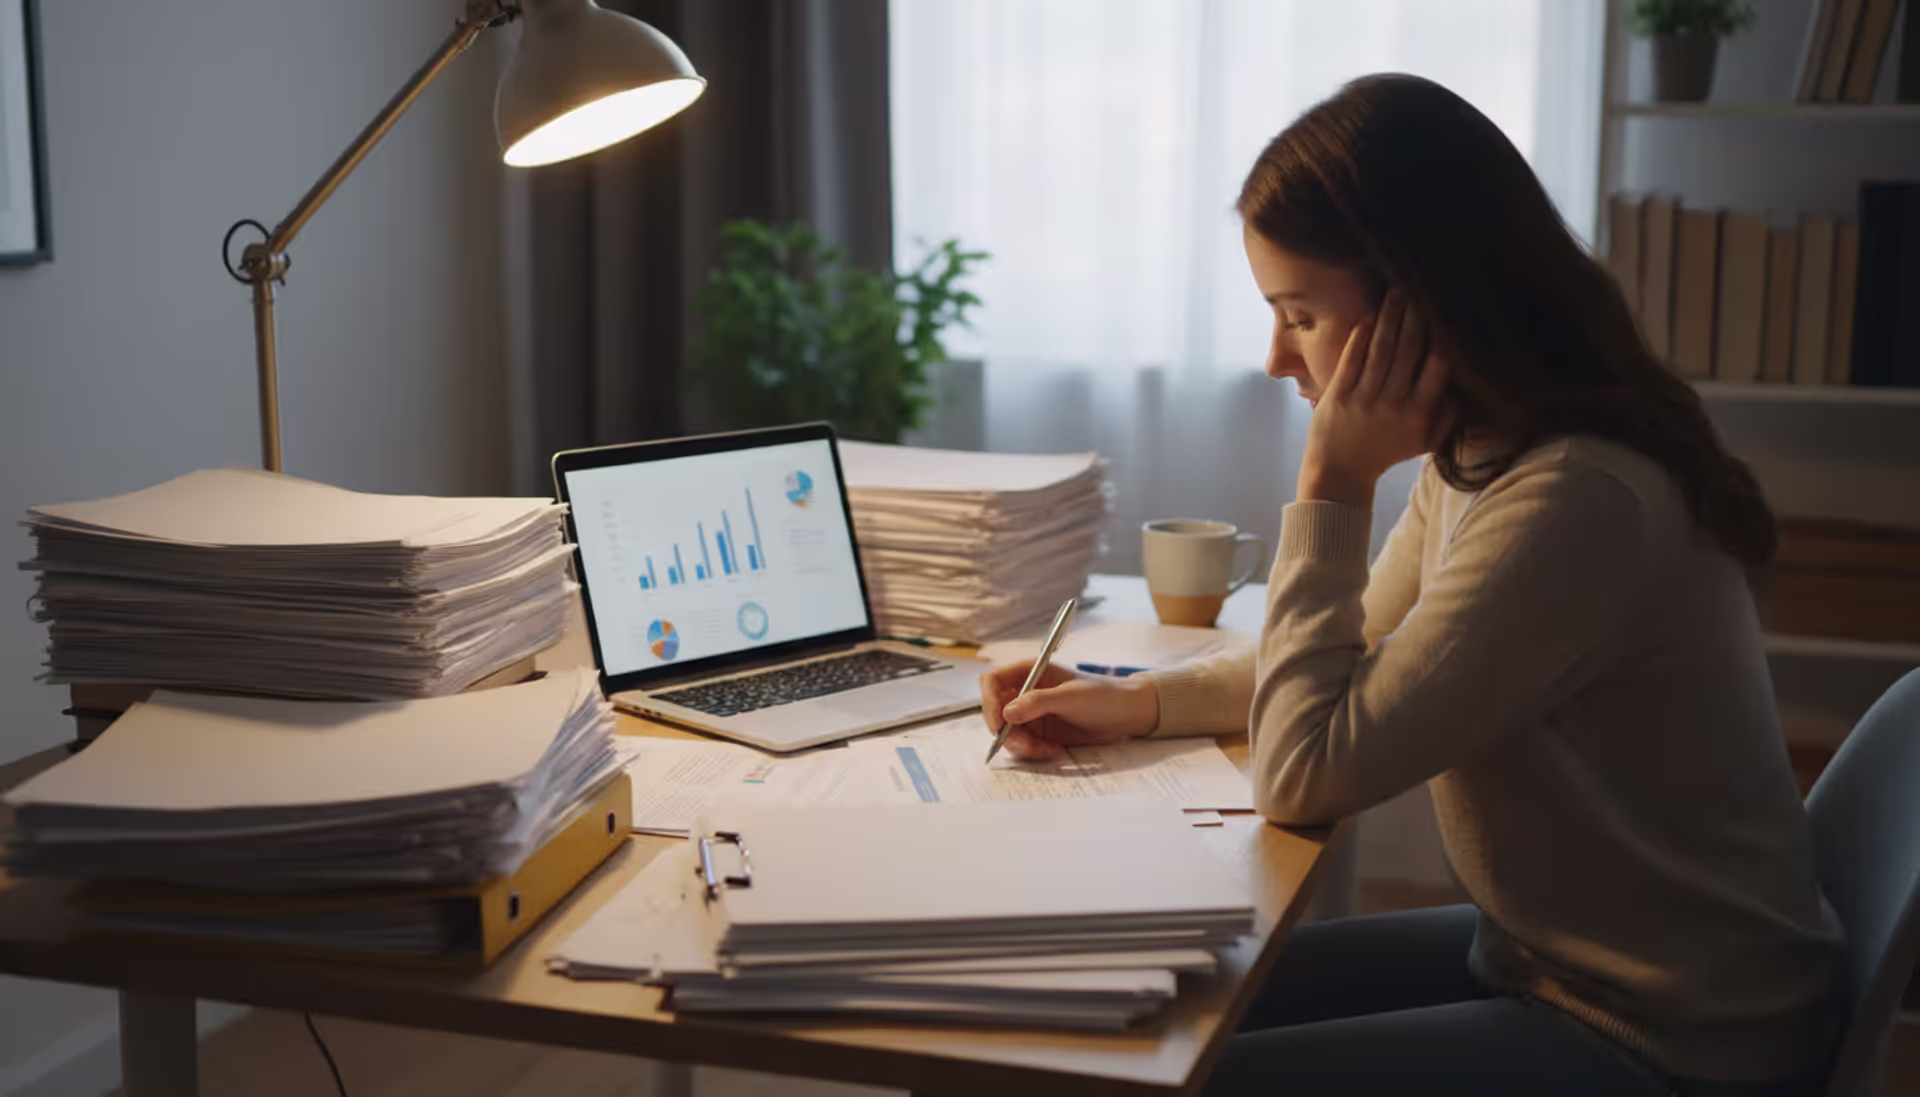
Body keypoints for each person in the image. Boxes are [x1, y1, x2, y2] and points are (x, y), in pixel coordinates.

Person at [978, 74, 1840, 1096]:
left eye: (1298, 313)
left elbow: (1305, 768)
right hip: (1548, 963)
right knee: (1111, 1012)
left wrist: (1331, 480)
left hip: (1668, 1038)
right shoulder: (1485, 450)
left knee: (1137, 1071)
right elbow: (1355, 655)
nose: (1272, 357)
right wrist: (1140, 700)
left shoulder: (1574, 497)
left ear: (1418, 308)